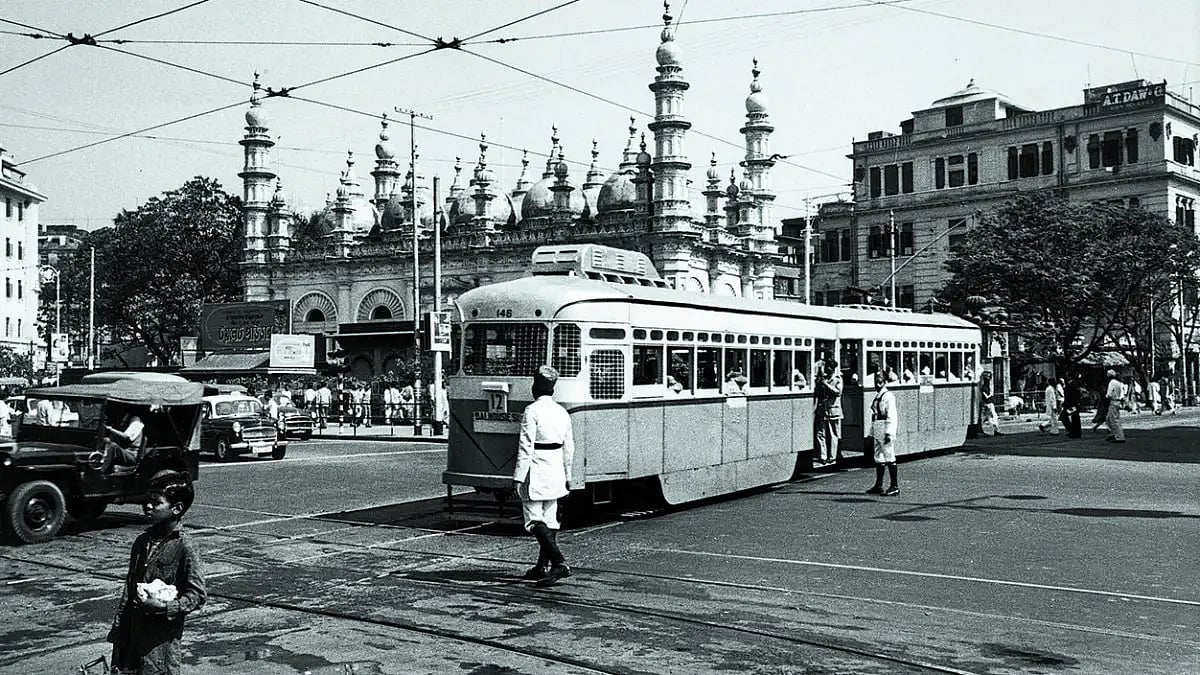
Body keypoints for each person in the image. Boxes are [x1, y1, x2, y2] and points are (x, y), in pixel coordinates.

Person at [108, 472, 207, 675]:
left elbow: (197, 595)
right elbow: (128, 591)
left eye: (156, 502)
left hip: (160, 649)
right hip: (131, 642)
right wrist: (118, 635)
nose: (147, 506)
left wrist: (165, 607)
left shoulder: (185, 546)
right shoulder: (141, 542)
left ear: (176, 508)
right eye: (147, 501)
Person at [512, 365, 576, 587]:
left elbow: (525, 447)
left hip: (536, 470)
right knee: (550, 520)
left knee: (533, 520)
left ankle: (559, 563)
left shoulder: (532, 411)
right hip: (556, 470)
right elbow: (569, 448)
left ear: (536, 387)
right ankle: (542, 566)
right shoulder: (562, 412)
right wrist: (568, 476)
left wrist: (518, 477)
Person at [865, 371, 900, 496]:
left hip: (885, 427)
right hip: (878, 427)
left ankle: (894, 486)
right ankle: (878, 485)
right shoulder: (878, 396)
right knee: (878, 456)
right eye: (876, 382)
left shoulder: (888, 396)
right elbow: (875, 415)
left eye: (880, 382)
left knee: (889, 455)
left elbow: (892, 415)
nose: (877, 385)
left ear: (885, 382)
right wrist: (871, 431)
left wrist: (889, 433)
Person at [813, 359, 843, 465]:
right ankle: (823, 456)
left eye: (828, 367)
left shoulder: (837, 379)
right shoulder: (824, 379)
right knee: (820, 433)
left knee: (833, 434)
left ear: (832, 368)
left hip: (833, 410)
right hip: (822, 409)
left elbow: (838, 392)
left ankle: (832, 457)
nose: (826, 369)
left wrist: (826, 384)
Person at [102, 408, 146, 473]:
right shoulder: (122, 420)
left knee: (112, 446)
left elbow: (127, 437)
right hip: (124, 451)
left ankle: (103, 471)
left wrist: (111, 429)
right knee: (107, 441)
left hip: (130, 455)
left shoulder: (136, 422)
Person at [1105, 369, 1127, 443]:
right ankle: (1113, 433)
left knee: (1114, 419)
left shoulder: (1112, 383)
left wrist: (1106, 396)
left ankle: (1119, 436)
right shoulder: (1119, 383)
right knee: (1109, 418)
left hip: (1113, 401)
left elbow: (1109, 394)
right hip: (1118, 401)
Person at [1059, 373, 1082, 439]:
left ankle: (1072, 431)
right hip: (1072, 404)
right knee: (1075, 418)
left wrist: (1066, 404)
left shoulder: (1072, 385)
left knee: (1064, 416)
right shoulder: (1072, 384)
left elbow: (1071, 396)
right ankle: (1075, 432)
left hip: (1071, 405)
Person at [979, 371, 1001, 436]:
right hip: (988, 403)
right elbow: (986, 396)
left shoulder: (984, 386)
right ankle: (995, 430)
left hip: (987, 403)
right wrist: (991, 395)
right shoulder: (985, 387)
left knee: (987, 417)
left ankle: (981, 430)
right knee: (992, 417)